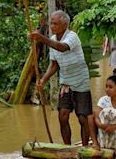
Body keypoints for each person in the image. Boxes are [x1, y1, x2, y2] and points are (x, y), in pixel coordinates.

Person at [28, 10, 92, 146]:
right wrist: (43, 80)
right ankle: (67, 147)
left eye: (55, 23)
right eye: (51, 23)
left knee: (82, 117)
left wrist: (41, 38)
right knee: (62, 116)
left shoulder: (72, 36)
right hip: (66, 83)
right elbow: (54, 65)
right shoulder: (53, 40)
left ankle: (85, 146)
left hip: (81, 81)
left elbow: (62, 48)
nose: (52, 26)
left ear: (64, 24)